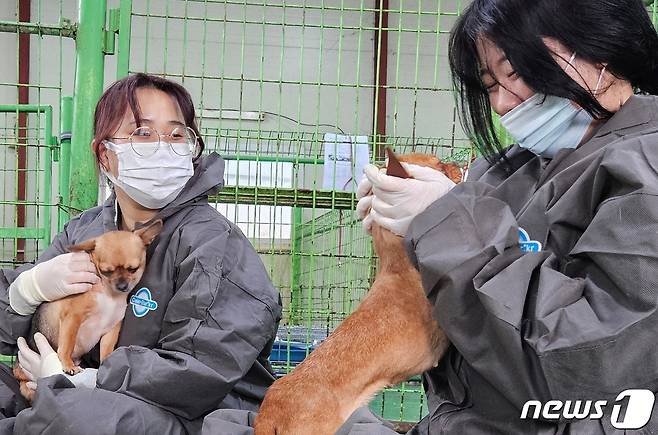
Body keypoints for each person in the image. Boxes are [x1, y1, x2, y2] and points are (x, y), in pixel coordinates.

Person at [237, 0, 658, 433]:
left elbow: (593, 364)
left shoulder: (644, 167)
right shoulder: (515, 165)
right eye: (489, 83)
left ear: (599, 51)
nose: (500, 104)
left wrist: (447, 223)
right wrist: (414, 227)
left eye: (513, 73)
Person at [0, 73, 282, 434]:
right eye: (143, 133)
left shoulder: (212, 243)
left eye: (176, 134)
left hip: (196, 413)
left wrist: (85, 381)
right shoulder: (85, 231)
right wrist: (27, 291)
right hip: (91, 391)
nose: (163, 146)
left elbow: (199, 370)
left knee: (77, 419)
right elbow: (13, 333)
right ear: (105, 154)